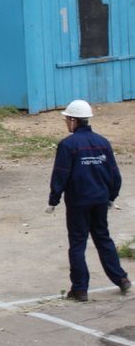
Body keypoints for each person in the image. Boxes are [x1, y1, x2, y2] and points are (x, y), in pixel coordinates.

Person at [46, 100, 131, 301]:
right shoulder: (103, 142)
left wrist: (53, 200)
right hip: (100, 200)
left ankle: (80, 289)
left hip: (78, 202)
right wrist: (111, 196)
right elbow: (114, 174)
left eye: (67, 119)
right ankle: (121, 279)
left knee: (77, 243)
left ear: (74, 121)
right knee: (103, 239)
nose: (66, 122)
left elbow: (61, 174)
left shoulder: (68, 145)